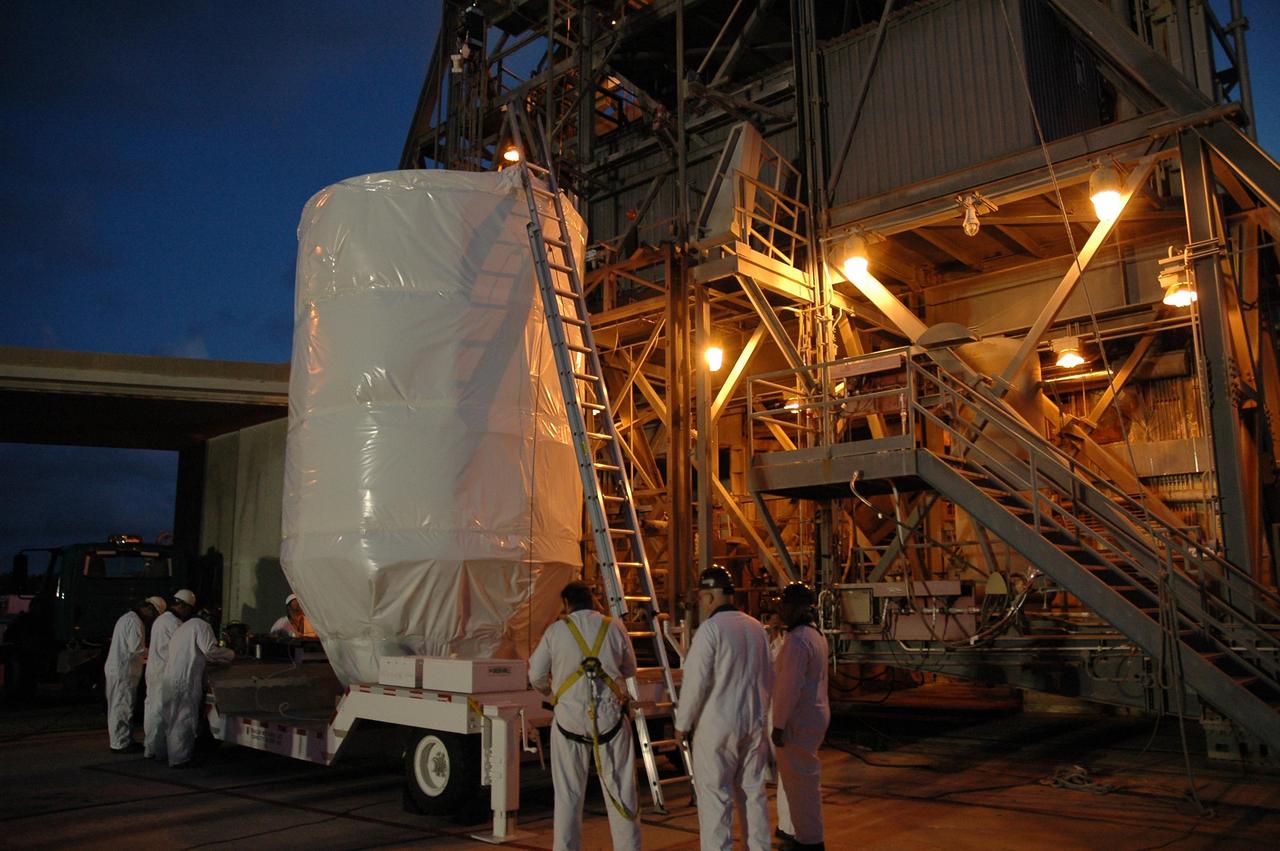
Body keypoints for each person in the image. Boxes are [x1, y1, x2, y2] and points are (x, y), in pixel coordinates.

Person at [529, 581, 642, 851]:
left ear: (566, 605)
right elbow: (630, 669)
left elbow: (535, 675)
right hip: (610, 721)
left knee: (568, 797)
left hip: (569, 722)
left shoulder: (556, 631)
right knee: (622, 794)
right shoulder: (614, 626)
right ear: (593, 600)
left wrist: (554, 692)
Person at [675, 566, 774, 851]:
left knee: (715, 797)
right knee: (753, 793)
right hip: (753, 721)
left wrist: (682, 724)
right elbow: (769, 675)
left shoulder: (710, 631)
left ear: (707, 597)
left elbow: (695, 682)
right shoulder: (756, 628)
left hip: (716, 726)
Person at [771, 582, 830, 851]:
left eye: (785, 604)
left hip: (798, 720)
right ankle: (805, 836)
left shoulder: (797, 641)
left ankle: (809, 841)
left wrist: (778, 725)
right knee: (803, 781)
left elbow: (788, 687)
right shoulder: (815, 635)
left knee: (800, 786)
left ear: (796, 608)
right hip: (814, 715)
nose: (780, 609)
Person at [162, 609, 234, 768]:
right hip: (184, 681)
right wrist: (230, 654)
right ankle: (180, 759)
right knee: (183, 720)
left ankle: (171, 755)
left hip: (171, 679)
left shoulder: (184, 627)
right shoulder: (202, 626)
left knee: (172, 720)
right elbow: (209, 649)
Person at [104, 596, 166, 752]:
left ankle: (123, 739)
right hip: (123, 670)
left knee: (119, 705)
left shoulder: (128, 618)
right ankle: (120, 743)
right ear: (149, 609)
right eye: (155, 614)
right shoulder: (135, 622)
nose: (153, 619)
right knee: (122, 706)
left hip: (119, 668)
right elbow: (136, 648)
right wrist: (156, 653)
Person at [143, 589, 195, 760]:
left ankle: (151, 748)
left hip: (154, 670)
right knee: (160, 713)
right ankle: (159, 751)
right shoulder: (174, 623)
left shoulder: (161, 619)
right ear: (184, 606)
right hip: (163, 672)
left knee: (152, 710)